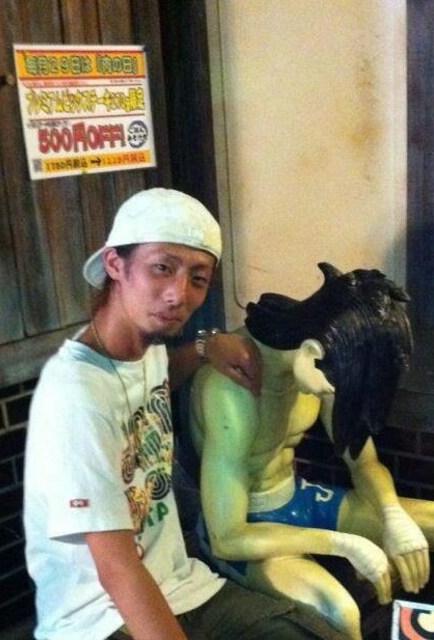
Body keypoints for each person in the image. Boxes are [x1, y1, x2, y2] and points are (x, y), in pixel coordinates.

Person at [23, 188, 326, 640]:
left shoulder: (141, 350)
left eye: (197, 278)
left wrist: (206, 347)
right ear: (115, 264)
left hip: (182, 587)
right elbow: (117, 569)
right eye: (162, 268)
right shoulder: (76, 395)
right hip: (98, 616)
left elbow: (160, 374)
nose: (178, 295)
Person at [190, 263, 434, 640]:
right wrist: (342, 544)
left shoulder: (321, 356)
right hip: (246, 527)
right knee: (337, 610)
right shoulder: (231, 392)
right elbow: (227, 537)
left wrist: (392, 515)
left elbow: (363, 461)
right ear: (311, 352)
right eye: (338, 386)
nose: (335, 394)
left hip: (298, 497)